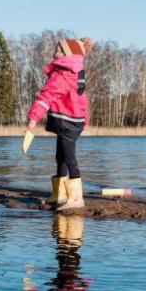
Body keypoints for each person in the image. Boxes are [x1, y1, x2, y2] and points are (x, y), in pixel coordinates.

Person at [27, 37, 94, 211]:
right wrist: (84, 120)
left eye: (57, 49)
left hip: (67, 122)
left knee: (69, 157)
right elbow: (82, 101)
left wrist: (34, 117)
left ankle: (76, 197)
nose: (54, 51)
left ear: (66, 54)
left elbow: (46, 96)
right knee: (61, 156)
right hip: (74, 121)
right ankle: (60, 194)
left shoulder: (62, 75)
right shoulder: (76, 73)